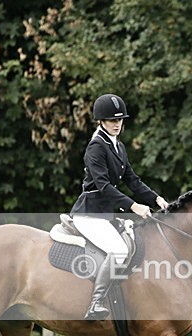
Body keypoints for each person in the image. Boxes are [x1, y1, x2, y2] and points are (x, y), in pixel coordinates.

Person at [70, 93, 169, 320]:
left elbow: (132, 180)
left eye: (120, 120)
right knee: (119, 250)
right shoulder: (96, 147)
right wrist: (134, 206)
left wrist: (156, 199)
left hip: (105, 215)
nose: (117, 124)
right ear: (101, 121)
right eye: (112, 121)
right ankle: (96, 302)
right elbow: (104, 186)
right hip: (90, 215)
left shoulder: (118, 146)